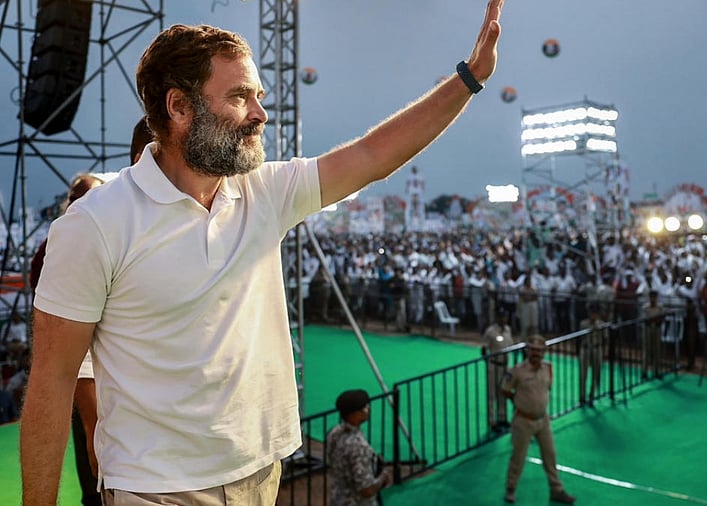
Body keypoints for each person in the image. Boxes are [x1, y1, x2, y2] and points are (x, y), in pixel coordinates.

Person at [21, 2, 504, 503]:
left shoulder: (264, 191)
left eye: (259, 95)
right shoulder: (92, 224)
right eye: (239, 96)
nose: (260, 112)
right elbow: (52, 383)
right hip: (157, 492)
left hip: (262, 475)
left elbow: (372, 155)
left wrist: (469, 78)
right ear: (179, 107)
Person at [29, 172, 107, 506]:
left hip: (104, 378)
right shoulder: (57, 246)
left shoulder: (105, 239)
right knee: (92, 460)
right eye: (74, 197)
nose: (77, 203)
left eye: (85, 196)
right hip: (80, 372)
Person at [501, 335, 576, 504]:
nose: (536, 353)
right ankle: (511, 488)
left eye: (539, 350)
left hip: (543, 420)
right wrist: (518, 402)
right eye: (533, 349)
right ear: (527, 350)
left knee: (550, 455)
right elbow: (505, 389)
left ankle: (556, 490)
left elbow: (547, 388)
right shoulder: (517, 371)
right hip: (523, 421)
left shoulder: (548, 368)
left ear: (544, 352)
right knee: (518, 457)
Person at [326, 389, 392, 506]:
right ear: (353, 414)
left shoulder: (334, 433)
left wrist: (372, 461)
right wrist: (383, 477)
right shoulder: (358, 445)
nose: (368, 410)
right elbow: (366, 489)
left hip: (338, 499)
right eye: (365, 408)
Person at [482, 310, 513, 431]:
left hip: (505, 366)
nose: (504, 319)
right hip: (494, 366)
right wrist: (490, 364)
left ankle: (502, 418)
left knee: (503, 392)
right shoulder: (490, 332)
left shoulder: (508, 330)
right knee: (492, 394)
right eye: (501, 317)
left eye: (505, 317)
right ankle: (492, 421)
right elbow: (484, 350)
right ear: (497, 318)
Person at [577, 305, 606, 406]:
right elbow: (579, 338)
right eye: (591, 313)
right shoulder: (583, 324)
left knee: (596, 373)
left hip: (597, 348)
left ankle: (592, 396)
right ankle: (582, 397)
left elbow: (605, 338)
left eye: (595, 314)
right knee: (583, 374)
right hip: (585, 349)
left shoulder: (602, 325)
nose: (593, 315)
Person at [642, 290, 666, 380]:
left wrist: (656, 320)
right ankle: (644, 372)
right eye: (651, 297)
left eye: (654, 297)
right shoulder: (645, 307)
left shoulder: (660, 307)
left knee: (657, 350)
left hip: (657, 329)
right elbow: (645, 320)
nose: (653, 299)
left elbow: (662, 318)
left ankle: (657, 371)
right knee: (647, 350)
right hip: (648, 329)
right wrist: (654, 320)